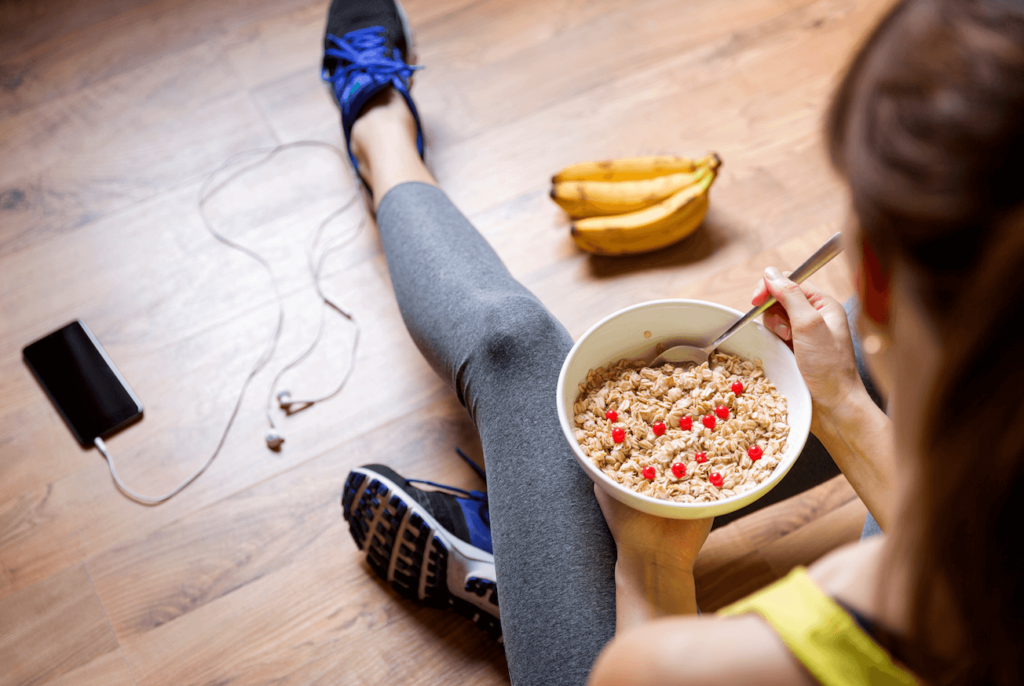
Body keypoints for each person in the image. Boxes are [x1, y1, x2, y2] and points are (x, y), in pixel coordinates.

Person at [326, 0, 1024, 684]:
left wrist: (650, 561)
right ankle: (533, 541)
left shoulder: (724, 663)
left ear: (873, 273)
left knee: (515, 346)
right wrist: (839, 400)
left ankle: (380, 127)